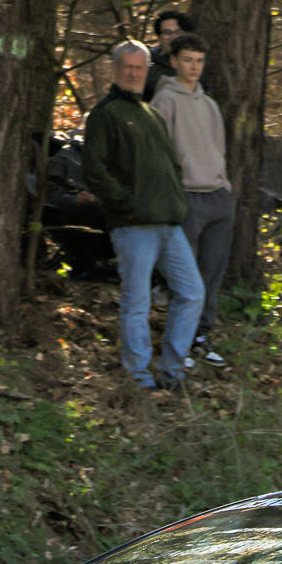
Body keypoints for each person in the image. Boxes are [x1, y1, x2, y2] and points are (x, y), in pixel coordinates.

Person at [82, 39, 202, 391]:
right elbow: (94, 170)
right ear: (116, 69)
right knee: (137, 301)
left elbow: (171, 165)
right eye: (128, 67)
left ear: (147, 70)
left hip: (168, 222)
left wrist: (177, 200)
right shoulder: (105, 114)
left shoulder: (151, 114)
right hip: (133, 226)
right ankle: (138, 377)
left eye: (139, 67)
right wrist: (125, 202)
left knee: (192, 292)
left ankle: (172, 372)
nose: (133, 74)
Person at [150, 32, 231, 368]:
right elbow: (158, 152)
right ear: (174, 61)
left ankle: (200, 336)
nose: (194, 67)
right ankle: (177, 345)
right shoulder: (165, 101)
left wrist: (224, 186)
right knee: (186, 278)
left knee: (212, 272)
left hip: (217, 197)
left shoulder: (209, 104)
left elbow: (218, 148)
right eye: (187, 60)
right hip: (186, 197)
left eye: (199, 61)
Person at [144, 10, 194, 100]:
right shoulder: (147, 64)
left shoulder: (197, 62)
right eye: (167, 33)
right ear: (159, 37)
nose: (173, 37)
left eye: (178, 32)